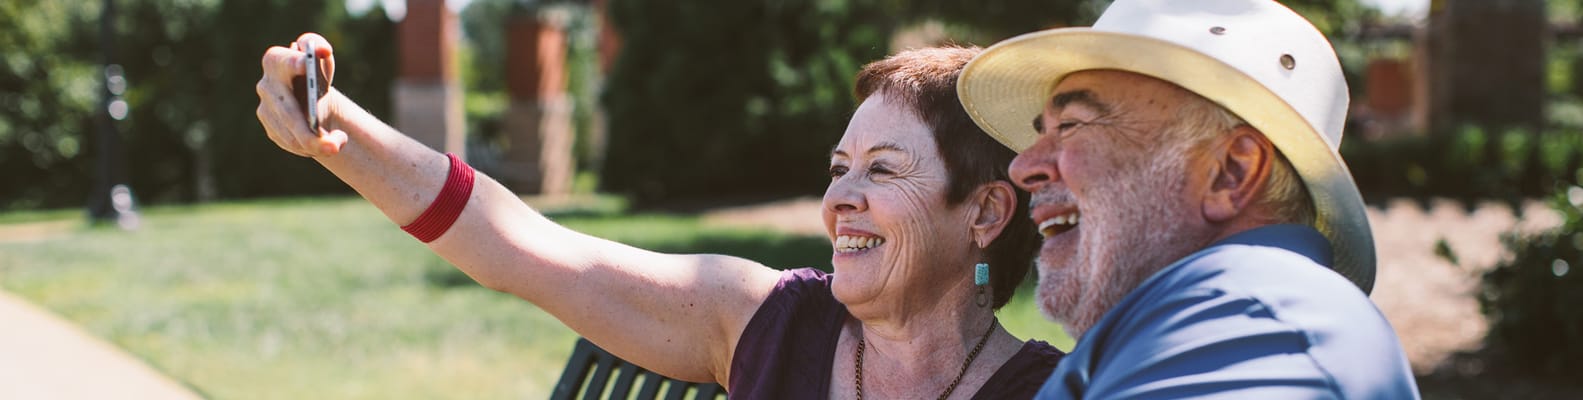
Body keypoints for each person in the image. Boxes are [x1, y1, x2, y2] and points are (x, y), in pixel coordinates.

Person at [256, 37, 1063, 398]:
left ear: (986, 211)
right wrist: (336, 130)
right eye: (838, 169)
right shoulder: (759, 322)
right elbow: (518, 248)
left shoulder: (1058, 394)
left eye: (881, 171)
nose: (839, 198)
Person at [954, 0, 1420, 398]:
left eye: (1071, 125)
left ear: (1230, 173)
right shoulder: (1228, 320)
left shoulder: (1250, 320)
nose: (1023, 168)